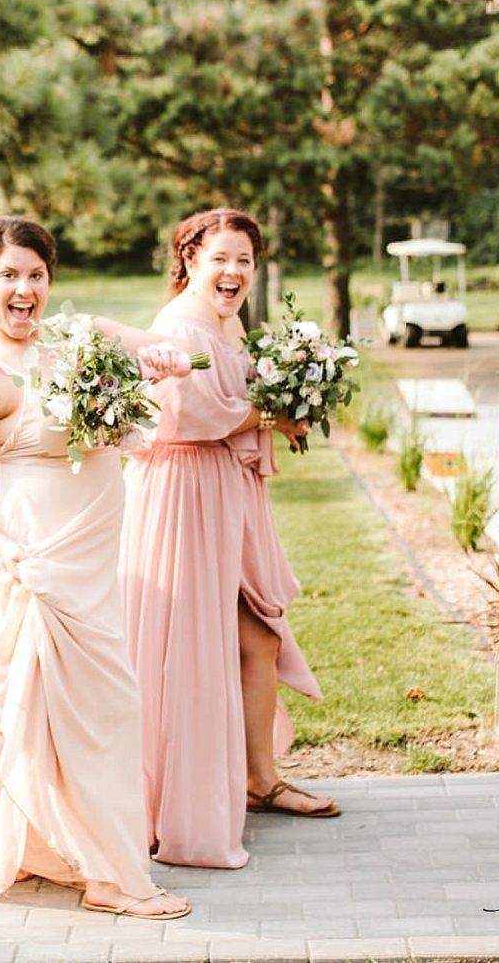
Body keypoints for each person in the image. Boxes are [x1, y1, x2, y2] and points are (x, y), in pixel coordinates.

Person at [0, 215, 190, 918]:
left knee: (95, 712)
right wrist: (3, 544)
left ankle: (69, 853)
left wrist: (167, 361)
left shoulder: (78, 340)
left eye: (35, 274)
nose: (24, 289)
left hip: (98, 562)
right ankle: (110, 878)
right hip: (33, 564)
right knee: (71, 713)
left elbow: (173, 352)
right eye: (8, 275)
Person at [119, 207, 335, 870]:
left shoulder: (224, 321)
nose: (234, 272)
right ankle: (166, 801)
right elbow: (186, 415)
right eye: (221, 258)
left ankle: (259, 778)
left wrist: (288, 406)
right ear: (189, 259)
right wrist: (271, 411)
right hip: (184, 495)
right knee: (188, 644)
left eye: (245, 260)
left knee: (259, 635)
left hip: (224, 493)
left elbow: (233, 402)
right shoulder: (178, 326)